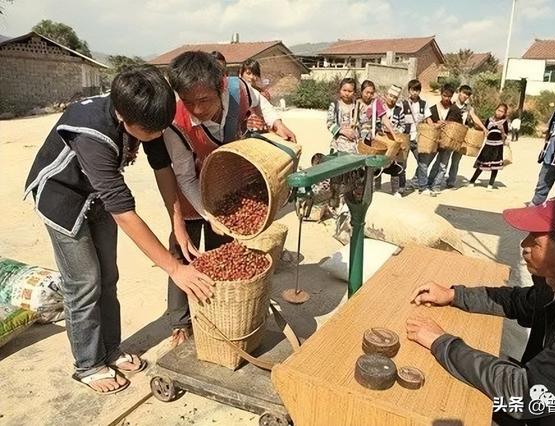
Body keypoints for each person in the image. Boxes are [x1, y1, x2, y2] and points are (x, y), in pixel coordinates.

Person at [23, 66, 215, 394]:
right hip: (63, 199)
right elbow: (124, 212)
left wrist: (178, 224)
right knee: (84, 282)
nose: (156, 137)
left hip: (97, 197)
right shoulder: (92, 133)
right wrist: (174, 269)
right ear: (123, 117)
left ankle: (110, 349)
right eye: (148, 132)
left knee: (108, 277)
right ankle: (88, 364)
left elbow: (162, 168)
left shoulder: (149, 116)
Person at [406, 188, 555, 425]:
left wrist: (440, 341)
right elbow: (521, 302)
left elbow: (524, 392)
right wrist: (454, 294)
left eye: (535, 241)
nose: (524, 245)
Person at [141, 51, 296, 347]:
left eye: (204, 100)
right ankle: (180, 321)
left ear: (221, 87)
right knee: (184, 253)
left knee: (222, 252)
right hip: (192, 195)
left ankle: (217, 311)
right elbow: (184, 177)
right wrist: (210, 212)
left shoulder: (238, 88)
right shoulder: (175, 123)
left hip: (228, 184)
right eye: (189, 101)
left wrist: (277, 122)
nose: (197, 109)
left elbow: (261, 102)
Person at [429, 84, 487, 194]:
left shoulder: (468, 108)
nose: (465, 96)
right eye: (464, 93)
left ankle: (451, 181)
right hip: (450, 136)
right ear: (459, 92)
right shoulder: (451, 104)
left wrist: (484, 128)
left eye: (467, 95)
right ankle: (433, 183)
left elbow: (474, 117)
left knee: (455, 161)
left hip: (462, 137)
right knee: (442, 162)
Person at [403, 79, 434, 194]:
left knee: (423, 163)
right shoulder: (402, 103)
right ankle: (402, 186)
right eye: (412, 90)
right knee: (403, 164)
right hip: (406, 138)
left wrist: (432, 130)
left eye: (417, 90)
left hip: (419, 139)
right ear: (409, 90)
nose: (415, 93)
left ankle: (423, 186)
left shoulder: (424, 104)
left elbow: (428, 119)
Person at [469, 103, 509, 190]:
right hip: (488, 145)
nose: (499, 113)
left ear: (504, 113)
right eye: (498, 110)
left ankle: (491, 184)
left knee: (495, 166)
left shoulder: (504, 122)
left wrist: (502, 130)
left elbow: (505, 136)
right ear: (495, 110)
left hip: (498, 146)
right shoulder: (489, 120)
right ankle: (472, 181)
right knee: (482, 164)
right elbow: (485, 130)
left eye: (502, 112)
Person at [382, 84, 409, 196]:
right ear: (386, 95)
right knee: (378, 164)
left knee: (396, 165)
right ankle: (376, 186)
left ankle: (395, 190)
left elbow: (403, 125)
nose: (392, 99)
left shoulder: (399, 110)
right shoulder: (381, 108)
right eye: (391, 96)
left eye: (395, 97)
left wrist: (396, 130)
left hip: (395, 140)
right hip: (382, 140)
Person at [327, 77, 358, 153]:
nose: (347, 93)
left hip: (354, 145)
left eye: (350, 91)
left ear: (354, 92)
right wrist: (343, 131)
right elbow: (329, 123)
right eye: (344, 90)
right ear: (340, 90)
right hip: (338, 144)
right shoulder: (335, 105)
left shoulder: (357, 106)